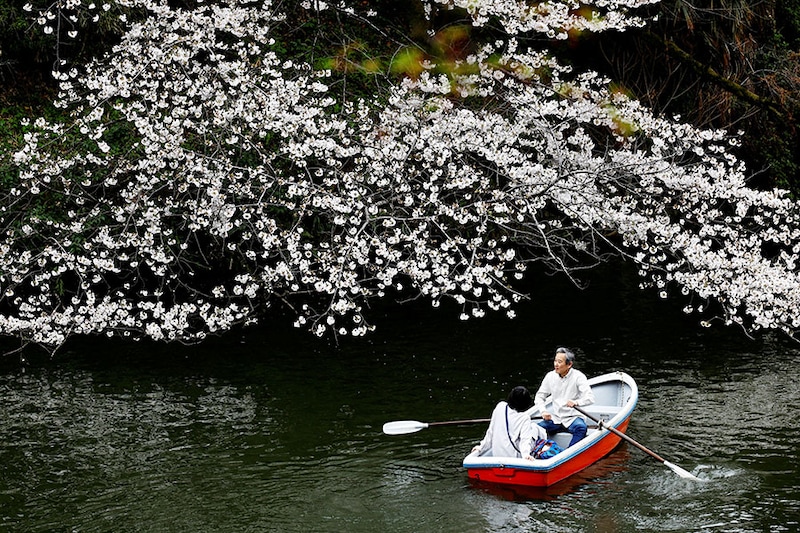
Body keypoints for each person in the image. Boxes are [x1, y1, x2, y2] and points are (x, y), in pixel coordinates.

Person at [534, 347, 594, 447]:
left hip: (573, 418)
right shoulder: (550, 376)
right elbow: (539, 396)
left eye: (559, 362)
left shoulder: (578, 377)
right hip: (556, 418)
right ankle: (541, 451)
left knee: (581, 428)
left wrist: (577, 402)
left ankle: (569, 454)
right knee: (536, 428)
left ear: (569, 364)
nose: (555, 364)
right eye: (555, 361)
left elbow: (590, 398)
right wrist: (543, 411)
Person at [471, 386, 546, 460]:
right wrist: (526, 455)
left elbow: (491, 431)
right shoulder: (524, 418)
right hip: (515, 457)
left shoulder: (500, 406)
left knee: (534, 427)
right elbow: (525, 440)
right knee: (537, 428)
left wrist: (481, 447)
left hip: (497, 455)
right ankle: (544, 444)